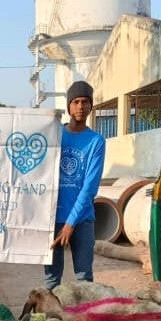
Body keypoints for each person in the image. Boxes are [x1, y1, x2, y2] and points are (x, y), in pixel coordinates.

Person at [43, 80, 106, 290]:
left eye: (85, 102)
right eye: (76, 101)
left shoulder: (96, 141)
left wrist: (70, 223)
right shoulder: (54, 134)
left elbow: (90, 187)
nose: (81, 106)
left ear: (91, 106)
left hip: (82, 220)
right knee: (51, 281)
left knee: (84, 279)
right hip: (52, 218)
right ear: (69, 105)